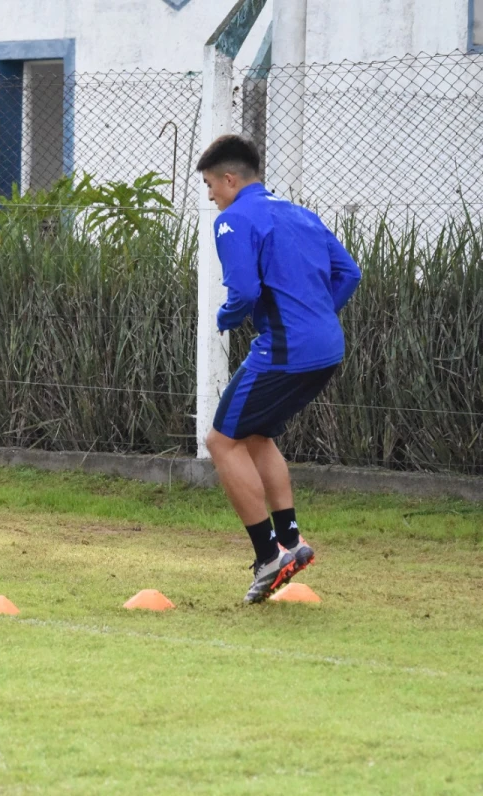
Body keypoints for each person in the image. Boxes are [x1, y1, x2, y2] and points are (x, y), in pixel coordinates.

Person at [197, 134, 361, 603]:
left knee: (220, 441)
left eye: (211, 185)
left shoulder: (233, 220)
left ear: (230, 179)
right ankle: (291, 540)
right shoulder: (300, 213)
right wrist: (318, 315)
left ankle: (268, 555)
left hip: (286, 350)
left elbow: (244, 292)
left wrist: (226, 318)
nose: (210, 196)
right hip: (327, 346)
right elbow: (349, 273)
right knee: (256, 435)